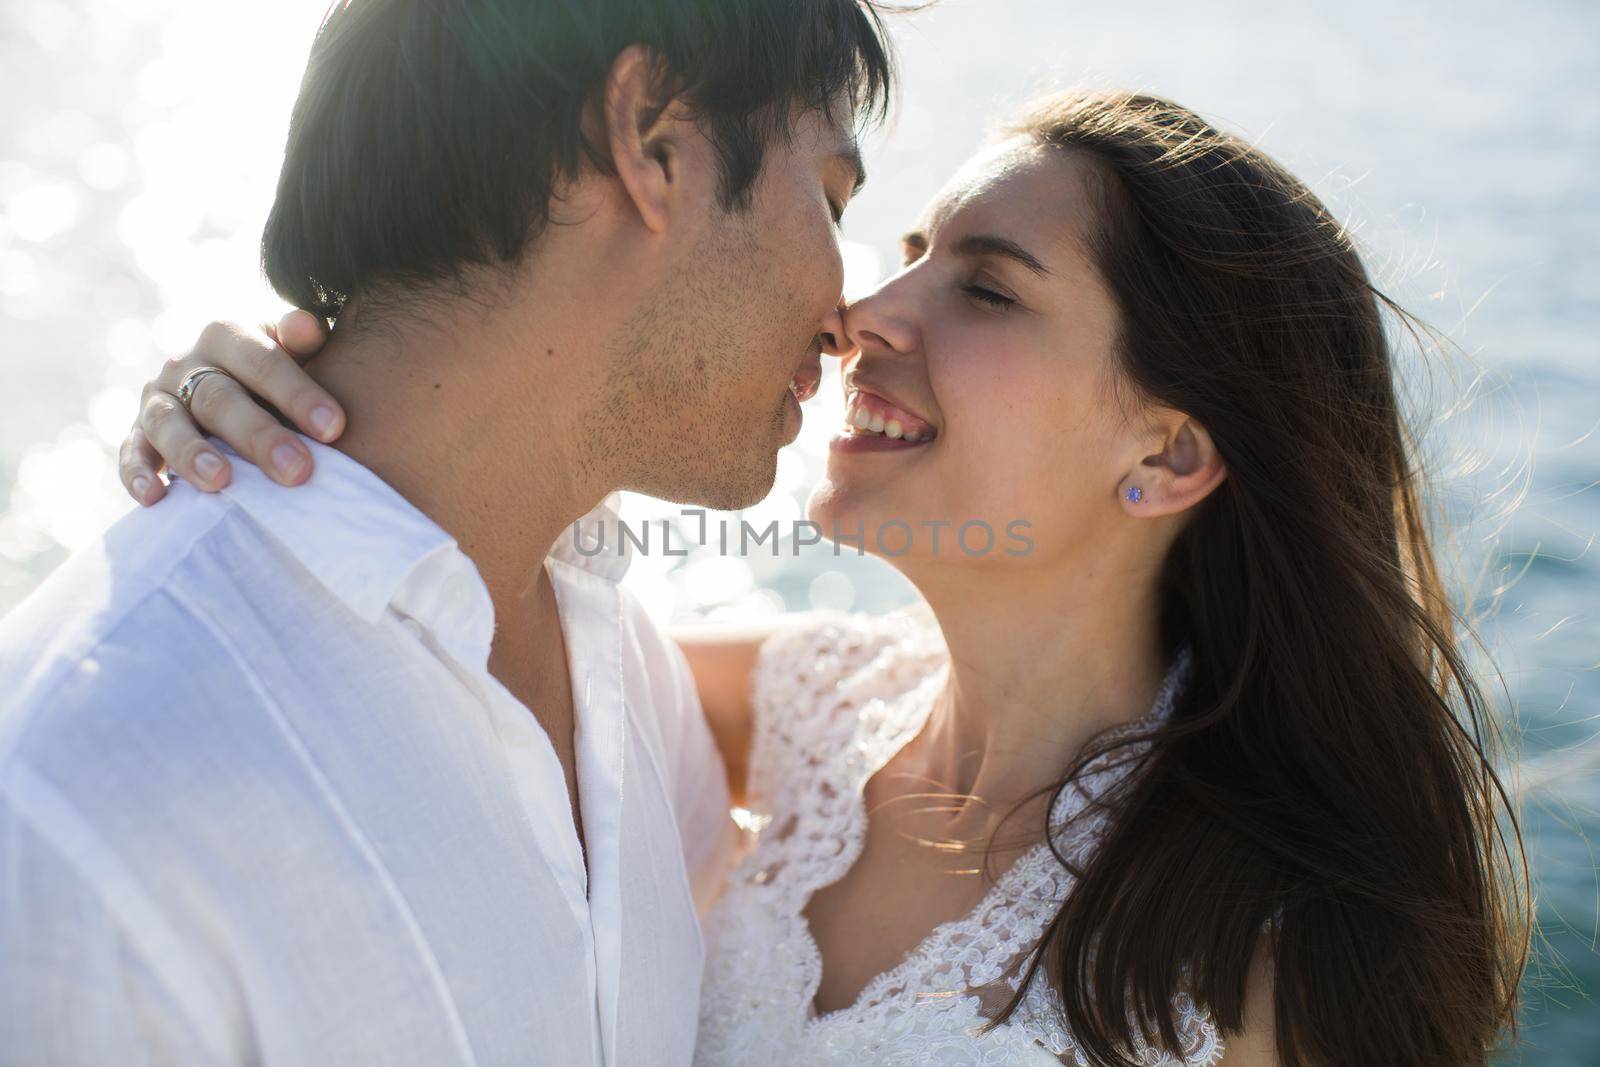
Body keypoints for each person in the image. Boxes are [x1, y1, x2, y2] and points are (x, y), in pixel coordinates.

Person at [136, 88, 1532, 1065]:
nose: (865, 312)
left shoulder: (1275, 960)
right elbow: (451, 617)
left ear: (1166, 454)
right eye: (912, 250)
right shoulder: (791, 710)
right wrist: (273, 410)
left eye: (985, 287)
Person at [0, 2, 896, 1064]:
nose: (849, 316)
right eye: (833, 198)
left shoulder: (623, 666)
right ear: (652, 140)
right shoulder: (75, 811)